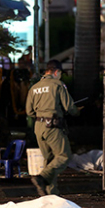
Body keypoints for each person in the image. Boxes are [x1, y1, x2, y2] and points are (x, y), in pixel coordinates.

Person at [26, 59, 80, 195]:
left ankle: (50, 193)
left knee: (49, 160)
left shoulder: (34, 87)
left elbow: (29, 112)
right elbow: (69, 107)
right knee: (64, 156)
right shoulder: (57, 84)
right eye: (60, 74)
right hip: (53, 125)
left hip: (38, 127)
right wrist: (77, 110)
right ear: (56, 72)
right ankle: (41, 178)